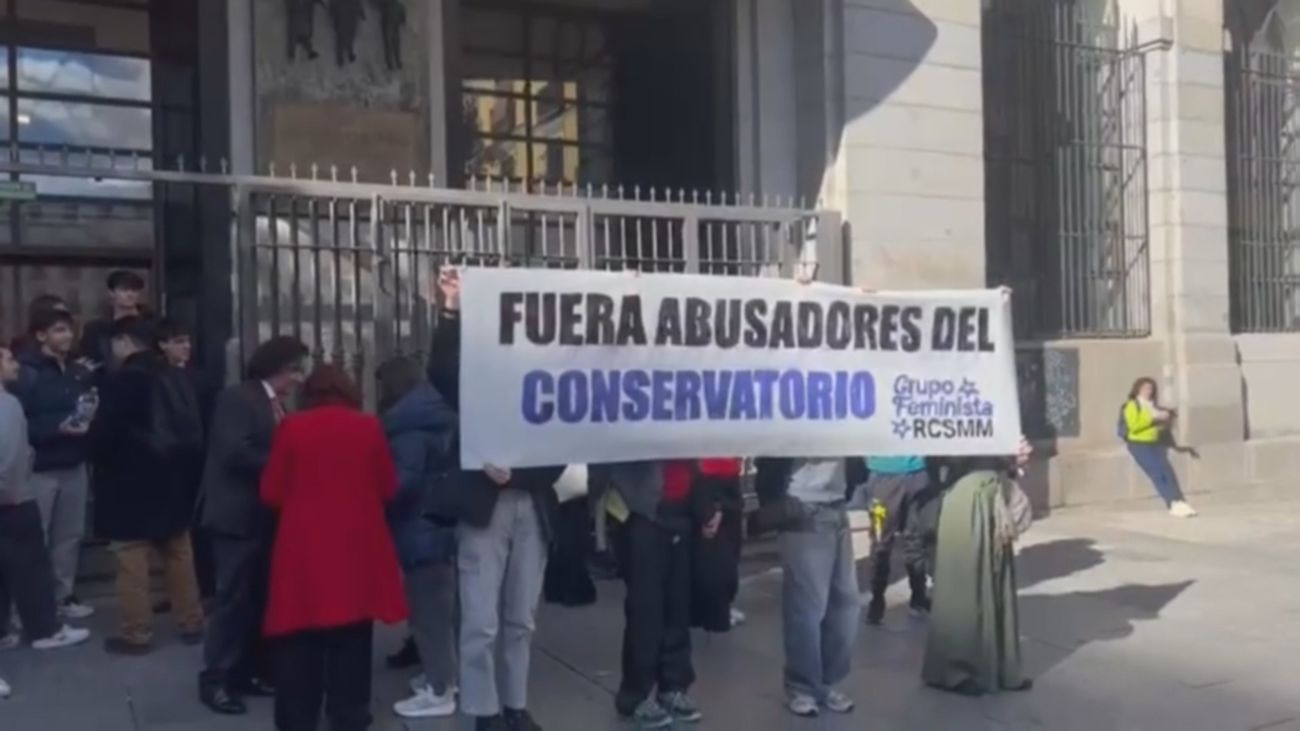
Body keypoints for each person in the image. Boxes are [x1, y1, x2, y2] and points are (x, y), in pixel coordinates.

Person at [425, 266, 564, 731]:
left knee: (521, 617)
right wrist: (451, 310)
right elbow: (442, 371)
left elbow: (565, 444)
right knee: (481, 619)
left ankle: (515, 705)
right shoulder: (479, 370)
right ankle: (484, 711)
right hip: (485, 506)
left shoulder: (552, 377)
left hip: (532, 505)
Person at [259, 364, 407, 731]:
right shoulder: (369, 427)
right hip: (357, 547)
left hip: (303, 548)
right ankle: (349, 714)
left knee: (298, 637)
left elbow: (271, 491)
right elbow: (388, 486)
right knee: (353, 636)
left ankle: (298, 718)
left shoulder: (292, 428)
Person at [198, 336, 308, 716]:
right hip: (237, 517)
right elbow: (234, 452)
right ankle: (216, 679)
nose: (298, 379)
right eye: (295, 370)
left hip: (264, 516)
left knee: (257, 599)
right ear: (279, 367)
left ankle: (248, 670)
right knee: (232, 602)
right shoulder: (238, 398)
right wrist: (286, 464)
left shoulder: (275, 404)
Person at [91, 317, 205, 655]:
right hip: (174, 477)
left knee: (131, 557)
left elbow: (105, 436)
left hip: (129, 480)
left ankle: (137, 632)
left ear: (124, 341)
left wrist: (92, 448)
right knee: (179, 551)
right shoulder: (175, 376)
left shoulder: (122, 380)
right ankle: (191, 621)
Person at [376, 356, 459, 720]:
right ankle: (443, 678)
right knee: (443, 612)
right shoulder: (436, 415)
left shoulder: (408, 428)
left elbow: (401, 483)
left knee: (428, 616)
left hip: (419, 529)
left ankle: (439, 689)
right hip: (440, 524)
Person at [599, 459, 709, 729]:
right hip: (642, 511)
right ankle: (635, 694)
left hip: (681, 506)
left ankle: (673, 685)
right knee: (645, 609)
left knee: (677, 606)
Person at [922, 439, 1035, 696]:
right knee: (964, 583)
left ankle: (1003, 667)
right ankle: (955, 670)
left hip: (994, 495)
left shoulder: (1000, 417)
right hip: (965, 497)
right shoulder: (952, 419)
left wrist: (1014, 458)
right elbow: (943, 456)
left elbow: (1006, 461)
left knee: (998, 578)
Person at [0, 343, 91, 651]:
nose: (15, 364)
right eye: (7, 359)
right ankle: (44, 629)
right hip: (13, 496)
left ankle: (3, 630)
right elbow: (9, 455)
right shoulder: (8, 403)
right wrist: (10, 491)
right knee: (31, 564)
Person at [754, 457, 860, 718]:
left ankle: (826, 682)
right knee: (807, 607)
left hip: (837, 503)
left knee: (845, 603)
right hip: (802, 505)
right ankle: (802, 686)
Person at [12, 308, 96, 620]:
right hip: (40, 468)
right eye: (59, 330)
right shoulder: (26, 372)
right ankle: (28, 606)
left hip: (74, 463)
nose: (67, 336)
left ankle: (63, 595)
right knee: (37, 538)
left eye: (69, 330)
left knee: (69, 536)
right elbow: (17, 422)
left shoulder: (75, 370)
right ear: (41, 335)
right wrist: (56, 428)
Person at [155, 317, 218, 601]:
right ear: (163, 345)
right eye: (179, 342)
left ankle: (202, 587)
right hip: (172, 463)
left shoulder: (200, 378)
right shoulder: (158, 377)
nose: (186, 347)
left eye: (187, 341)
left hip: (198, 460)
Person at [861, 455, 933, 624]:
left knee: (913, 539)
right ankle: (878, 600)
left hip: (912, 474)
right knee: (883, 542)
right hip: (887, 473)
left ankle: (917, 598)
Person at [1121, 377, 1197, 518]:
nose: (1148, 391)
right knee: (1157, 473)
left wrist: (1167, 418)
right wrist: (1154, 418)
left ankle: (1179, 500)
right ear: (1138, 389)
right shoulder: (1132, 405)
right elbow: (1134, 426)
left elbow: (1161, 426)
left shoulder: (1153, 406)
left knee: (1167, 472)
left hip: (1155, 443)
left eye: (1151, 388)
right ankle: (1171, 502)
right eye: (1145, 388)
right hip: (1139, 444)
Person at [687, 459, 745, 634]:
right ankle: (715, 614)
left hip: (723, 474)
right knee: (718, 556)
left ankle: (714, 610)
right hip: (709, 476)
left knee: (724, 550)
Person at [79, 269, 148, 369]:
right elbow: (89, 361)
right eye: (124, 290)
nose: (130, 294)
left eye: (134, 290)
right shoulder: (95, 328)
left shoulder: (150, 325)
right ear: (111, 292)